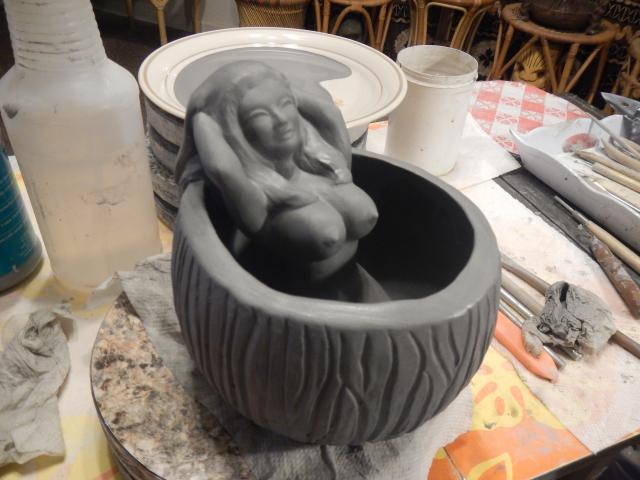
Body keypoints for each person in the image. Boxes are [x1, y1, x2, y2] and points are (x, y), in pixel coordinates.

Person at [176, 61, 381, 294]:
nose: (281, 119)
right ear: (236, 132)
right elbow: (221, 168)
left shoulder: (329, 166)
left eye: (285, 105)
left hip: (362, 291)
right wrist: (206, 118)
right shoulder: (259, 200)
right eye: (259, 115)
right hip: (294, 311)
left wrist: (283, 89)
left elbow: (330, 113)